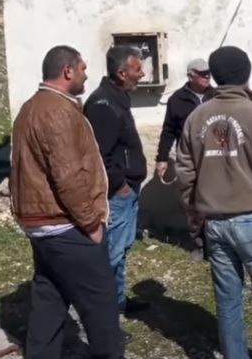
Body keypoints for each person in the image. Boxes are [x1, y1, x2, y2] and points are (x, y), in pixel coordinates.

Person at [176, 46, 252, 359]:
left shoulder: (197, 116)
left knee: (228, 302)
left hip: (214, 223)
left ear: (215, 76)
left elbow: (185, 171)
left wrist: (193, 209)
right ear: (247, 73)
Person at [10, 45, 124, 359]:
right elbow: (68, 175)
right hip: (64, 223)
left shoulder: (31, 107)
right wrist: (91, 224)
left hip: (41, 223)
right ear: (68, 71)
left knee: (50, 298)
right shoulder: (57, 111)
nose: (87, 75)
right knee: (101, 302)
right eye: (83, 69)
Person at [83, 46, 150, 318]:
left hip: (126, 190)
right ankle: (104, 314)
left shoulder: (117, 99)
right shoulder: (103, 105)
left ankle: (118, 300)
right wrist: (120, 186)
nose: (142, 74)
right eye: (137, 69)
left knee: (121, 249)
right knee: (111, 253)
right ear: (122, 73)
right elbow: (99, 155)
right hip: (117, 193)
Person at [154, 58, 217, 262]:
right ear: (191, 76)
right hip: (189, 159)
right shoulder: (177, 100)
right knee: (192, 203)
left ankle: (216, 245)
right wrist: (162, 158)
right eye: (202, 73)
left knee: (215, 201)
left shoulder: (217, 96)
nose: (207, 76)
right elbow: (168, 130)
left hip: (215, 159)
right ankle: (199, 244)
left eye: (208, 73)